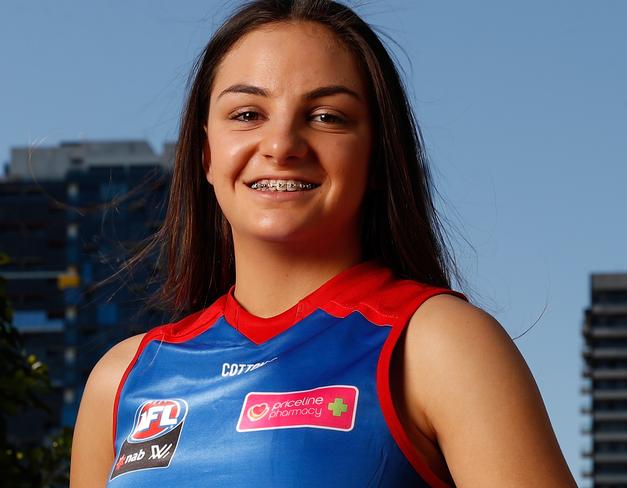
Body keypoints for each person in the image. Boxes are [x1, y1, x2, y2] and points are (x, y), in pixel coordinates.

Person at [70, 1, 577, 486]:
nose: (281, 146)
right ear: (206, 154)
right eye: (247, 114)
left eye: (327, 116)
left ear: (377, 158)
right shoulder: (123, 380)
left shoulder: (438, 346)